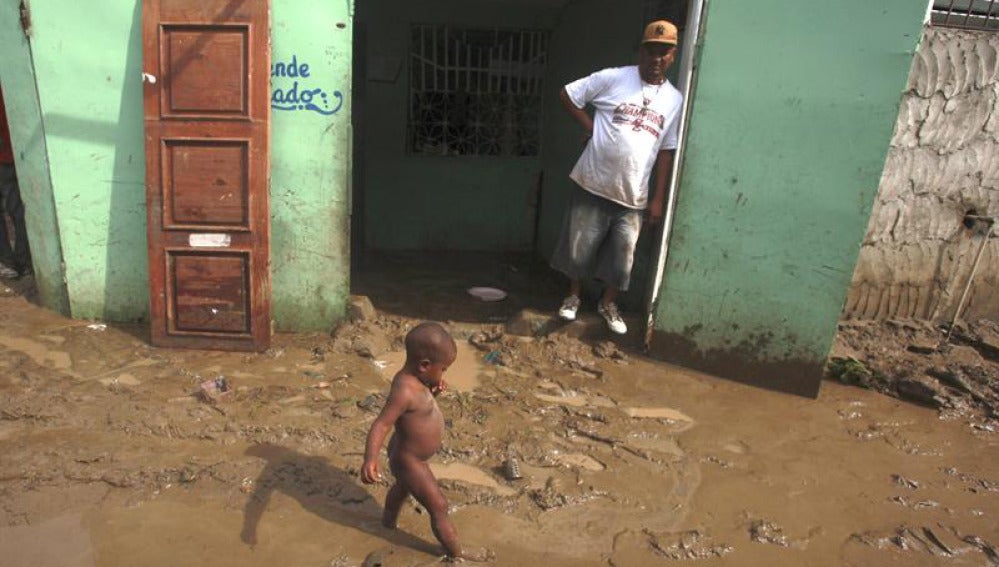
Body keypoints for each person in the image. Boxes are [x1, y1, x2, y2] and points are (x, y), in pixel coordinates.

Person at [551, 20, 683, 335]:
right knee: (578, 247)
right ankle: (573, 297)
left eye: (664, 53)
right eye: (651, 51)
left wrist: (658, 198)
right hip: (593, 181)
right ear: (641, 51)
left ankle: (608, 303)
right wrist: (589, 126)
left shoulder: (674, 100)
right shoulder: (614, 78)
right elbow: (569, 94)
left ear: (673, 56)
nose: (656, 59)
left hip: (633, 193)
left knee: (623, 255)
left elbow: (666, 150)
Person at [361, 322, 487, 562]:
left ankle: (387, 522)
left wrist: (434, 392)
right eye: (444, 369)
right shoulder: (404, 390)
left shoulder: (419, 381)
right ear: (424, 365)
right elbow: (382, 424)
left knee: (403, 487)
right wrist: (370, 458)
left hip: (408, 456)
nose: (444, 374)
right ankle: (456, 553)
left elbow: (418, 410)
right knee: (439, 506)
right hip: (411, 460)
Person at [0, 85, 31, 279]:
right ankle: (23, 260)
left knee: (17, 210)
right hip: (11, 156)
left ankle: (8, 262)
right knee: (18, 209)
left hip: (8, 156)